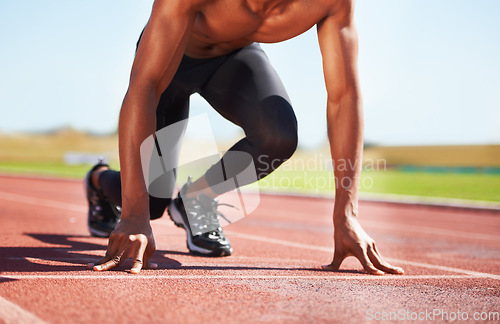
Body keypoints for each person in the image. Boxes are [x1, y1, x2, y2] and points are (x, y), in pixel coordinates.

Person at [86, 0, 404, 275]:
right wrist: (133, 216)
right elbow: (145, 85)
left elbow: (344, 97)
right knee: (151, 202)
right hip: (172, 54)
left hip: (234, 57)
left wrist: (346, 215)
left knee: (277, 136)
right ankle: (99, 180)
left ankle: (196, 198)